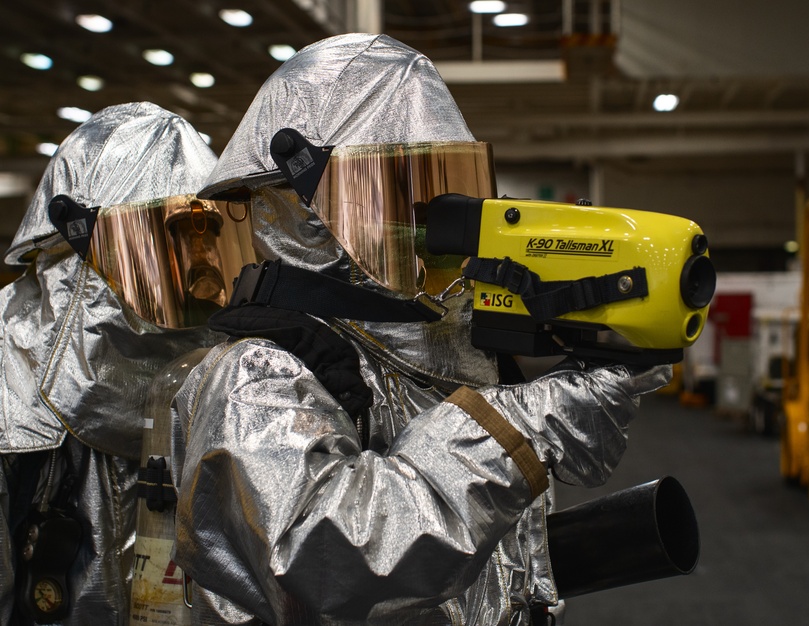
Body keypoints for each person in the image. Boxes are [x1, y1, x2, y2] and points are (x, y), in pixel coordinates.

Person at [171, 33, 671, 625]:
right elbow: (334, 565)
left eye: (442, 191)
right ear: (297, 210)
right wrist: (532, 422)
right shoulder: (255, 377)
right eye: (396, 195)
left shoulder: (439, 347)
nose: (430, 225)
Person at [0, 102, 253, 625]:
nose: (193, 272)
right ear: (75, 247)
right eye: (163, 247)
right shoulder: (9, 380)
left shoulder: (241, 378)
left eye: (204, 243)